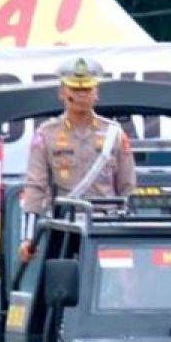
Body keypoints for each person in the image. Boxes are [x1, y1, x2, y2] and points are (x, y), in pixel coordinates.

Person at [20, 57, 137, 262]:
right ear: (62, 92)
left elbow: (128, 189)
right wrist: (28, 237)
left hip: (106, 228)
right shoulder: (46, 135)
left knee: (113, 289)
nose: (81, 95)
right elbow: (35, 188)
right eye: (75, 89)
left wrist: (129, 233)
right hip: (64, 227)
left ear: (96, 93)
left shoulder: (114, 134)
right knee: (60, 289)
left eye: (87, 89)